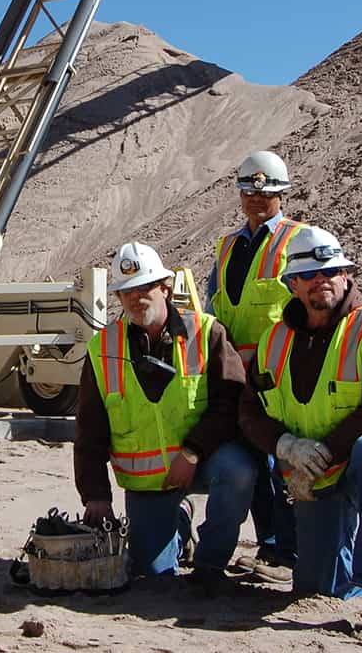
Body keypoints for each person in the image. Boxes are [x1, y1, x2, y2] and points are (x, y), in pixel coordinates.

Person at [239, 225, 362, 637]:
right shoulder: (274, 341)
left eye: (331, 271)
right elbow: (249, 410)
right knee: (318, 586)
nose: (320, 281)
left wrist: (321, 452)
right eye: (308, 275)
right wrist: (285, 445)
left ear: (346, 276)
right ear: (292, 284)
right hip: (314, 470)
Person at [75, 241, 256, 591]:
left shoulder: (207, 333)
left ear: (165, 288)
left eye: (145, 287)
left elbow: (232, 401)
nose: (136, 297)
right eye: (127, 291)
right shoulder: (102, 349)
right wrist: (95, 494)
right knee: (152, 576)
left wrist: (192, 451)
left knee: (239, 471)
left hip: (203, 458)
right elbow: (90, 429)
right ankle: (179, 519)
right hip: (150, 481)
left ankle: (210, 564)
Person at [207, 151, 304, 580]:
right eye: (248, 191)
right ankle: (270, 548)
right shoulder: (227, 247)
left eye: (265, 193)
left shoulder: (296, 241)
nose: (256, 199)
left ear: (281, 195)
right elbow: (216, 305)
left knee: (284, 464)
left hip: (280, 376)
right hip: (238, 378)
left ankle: (291, 550)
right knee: (257, 465)